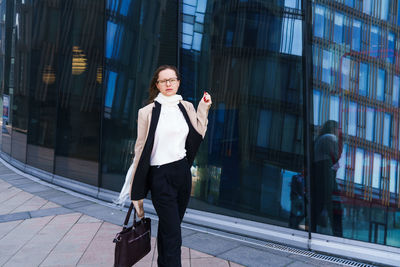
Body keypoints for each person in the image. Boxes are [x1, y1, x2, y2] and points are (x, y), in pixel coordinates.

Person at [117, 65, 211, 267]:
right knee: (174, 235)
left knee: (169, 229)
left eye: (172, 79)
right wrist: (135, 189)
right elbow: (140, 149)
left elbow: (198, 134)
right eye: (163, 80)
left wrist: (203, 108)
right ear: (157, 84)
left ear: (178, 82)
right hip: (160, 177)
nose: (169, 84)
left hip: (183, 174)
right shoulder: (147, 112)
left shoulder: (186, 107)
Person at [311, 120, 343, 237]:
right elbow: (336, 155)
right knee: (334, 205)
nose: (338, 131)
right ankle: (337, 234)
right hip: (326, 172)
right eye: (337, 128)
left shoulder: (319, 140)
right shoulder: (330, 138)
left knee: (318, 204)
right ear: (333, 129)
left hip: (318, 172)